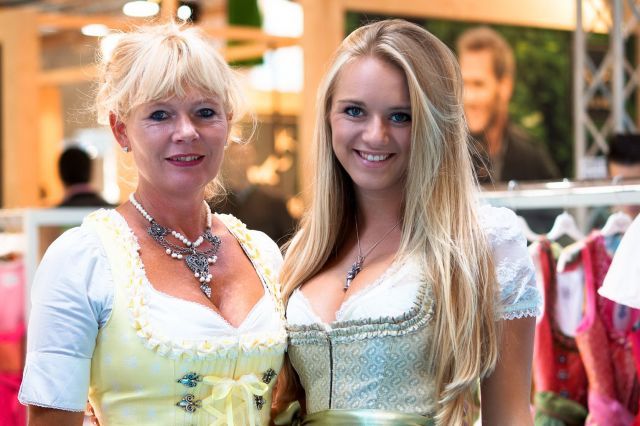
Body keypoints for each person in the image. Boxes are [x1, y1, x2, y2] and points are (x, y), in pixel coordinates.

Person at [19, 23, 286, 425]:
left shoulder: (263, 253)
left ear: (228, 124)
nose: (187, 132)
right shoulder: (83, 260)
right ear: (121, 130)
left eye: (205, 112)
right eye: (160, 114)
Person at [276, 20, 541, 425]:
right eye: (354, 111)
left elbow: (510, 417)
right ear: (328, 116)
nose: (375, 135)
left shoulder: (484, 241)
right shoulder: (306, 251)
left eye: (401, 116)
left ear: (436, 125)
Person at [457, 26, 560, 184]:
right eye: (464, 84)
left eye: (478, 84)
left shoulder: (531, 158)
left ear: (505, 87)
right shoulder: (446, 154)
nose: (468, 97)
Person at [215, 142, 296, 245]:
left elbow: (290, 240)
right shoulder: (216, 203)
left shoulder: (274, 202)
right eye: (235, 156)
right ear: (226, 160)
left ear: (253, 158)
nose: (240, 161)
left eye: (245, 156)